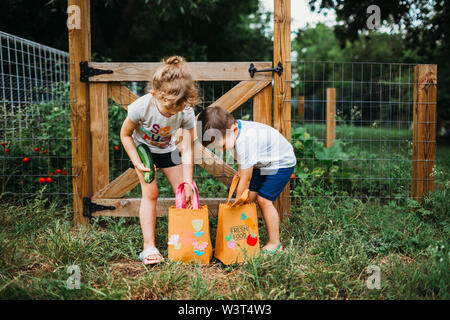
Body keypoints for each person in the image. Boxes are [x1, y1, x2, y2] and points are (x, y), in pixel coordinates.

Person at [121, 56, 199, 264]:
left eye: (177, 109)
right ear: (154, 94)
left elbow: (189, 147)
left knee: (184, 191)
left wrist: (188, 183)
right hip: (143, 150)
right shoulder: (141, 107)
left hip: (168, 149)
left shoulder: (186, 111)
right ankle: (149, 247)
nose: (172, 114)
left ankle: (187, 241)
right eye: (167, 109)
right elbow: (125, 135)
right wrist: (136, 161)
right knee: (151, 193)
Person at [197, 106, 296, 253]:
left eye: (222, 146)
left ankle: (275, 243)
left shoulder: (246, 140)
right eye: (216, 148)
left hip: (281, 163)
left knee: (263, 200)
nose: (220, 150)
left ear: (234, 130)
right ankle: (242, 238)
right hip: (261, 162)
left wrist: (237, 199)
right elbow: (241, 158)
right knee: (248, 199)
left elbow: (246, 178)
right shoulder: (233, 131)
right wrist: (240, 170)